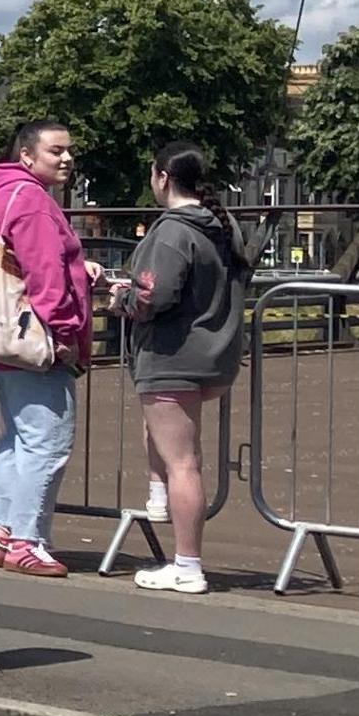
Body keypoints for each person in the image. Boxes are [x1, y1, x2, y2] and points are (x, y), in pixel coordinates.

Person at [119, 143, 246, 596]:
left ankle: (187, 563)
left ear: (161, 177)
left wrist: (123, 299)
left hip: (173, 355)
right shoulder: (223, 224)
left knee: (184, 463)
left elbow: (155, 296)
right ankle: (158, 499)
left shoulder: (172, 230)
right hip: (216, 353)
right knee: (175, 446)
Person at [0, 117, 98, 578]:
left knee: (17, 440)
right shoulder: (35, 203)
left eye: (69, 150)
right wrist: (65, 333)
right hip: (34, 340)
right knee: (47, 442)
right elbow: (44, 274)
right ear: (27, 155)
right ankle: (28, 540)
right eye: (56, 151)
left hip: (3, 338)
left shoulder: (1, 196)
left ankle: (2, 532)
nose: (66, 158)